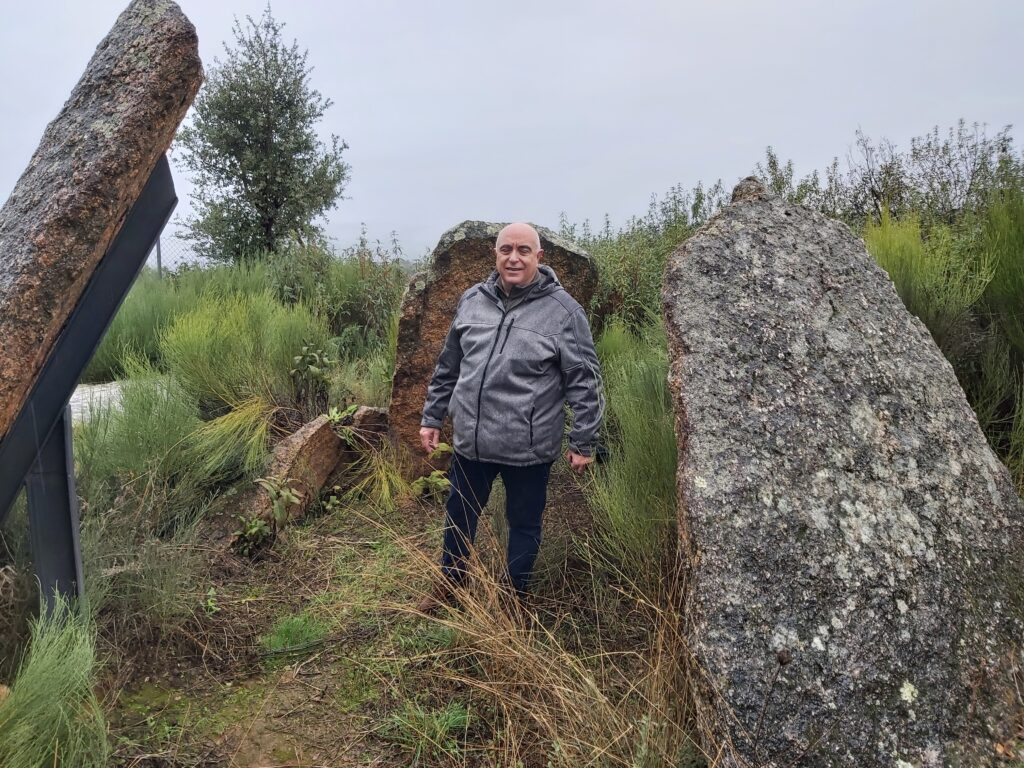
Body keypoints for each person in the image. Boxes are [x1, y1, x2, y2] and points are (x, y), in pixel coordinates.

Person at [417, 222, 604, 611]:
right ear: (495, 254)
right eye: (506, 249)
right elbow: (449, 366)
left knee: (524, 525)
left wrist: (584, 440)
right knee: (459, 514)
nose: (513, 257)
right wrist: (432, 416)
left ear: (539, 257)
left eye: (523, 250)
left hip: (528, 448)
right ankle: (451, 584)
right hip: (472, 441)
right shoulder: (473, 300)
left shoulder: (564, 313)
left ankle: (513, 601)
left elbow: (584, 380)